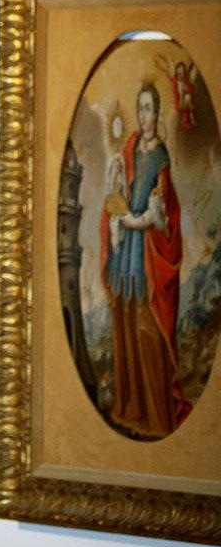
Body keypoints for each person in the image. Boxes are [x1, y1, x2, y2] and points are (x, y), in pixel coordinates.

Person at [100, 82, 190, 439]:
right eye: (141, 109)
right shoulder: (131, 147)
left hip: (147, 253)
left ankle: (156, 415)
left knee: (146, 328)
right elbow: (118, 186)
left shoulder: (161, 156)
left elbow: (162, 206)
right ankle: (132, 408)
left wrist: (135, 220)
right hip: (126, 254)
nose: (145, 116)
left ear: (158, 114)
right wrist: (116, 195)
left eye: (150, 109)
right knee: (125, 323)